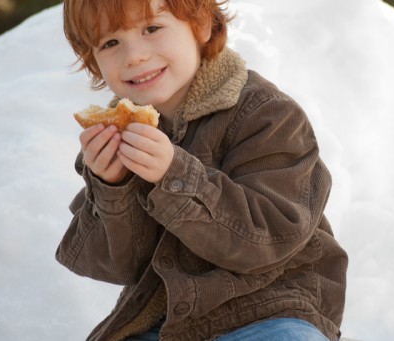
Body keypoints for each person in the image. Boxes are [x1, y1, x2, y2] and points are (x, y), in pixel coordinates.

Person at [55, 0, 348, 340]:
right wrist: (113, 188)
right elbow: (119, 265)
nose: (133, 56)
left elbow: (266, 239)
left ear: (202, 25)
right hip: (168, 324)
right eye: (109, 43)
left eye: (152, 29)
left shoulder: (268, 116)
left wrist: (174, 174)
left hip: (269, 313)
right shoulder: (117, 137)